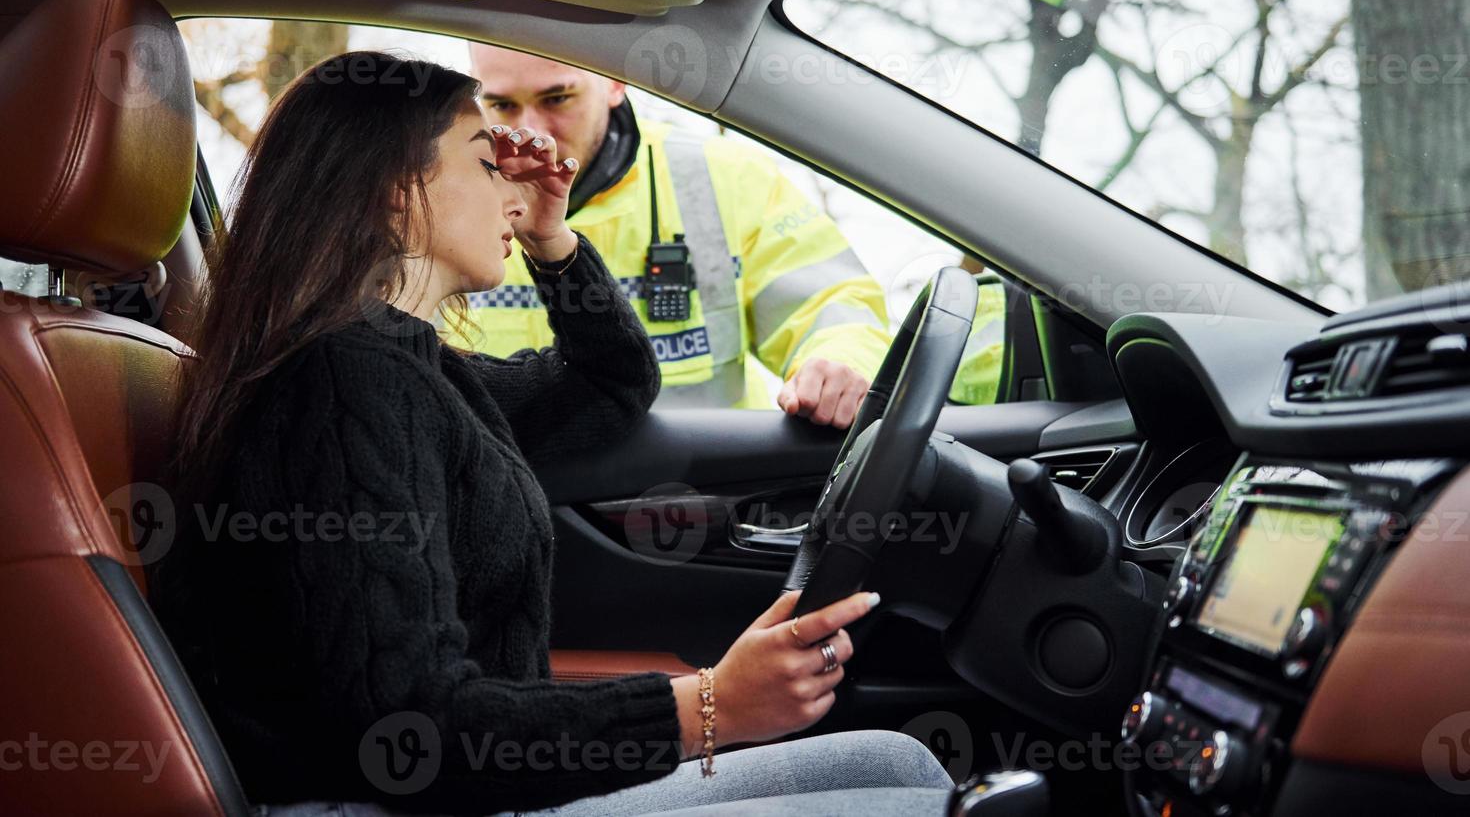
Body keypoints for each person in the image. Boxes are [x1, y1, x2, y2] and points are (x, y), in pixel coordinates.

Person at [149, 52, 954, 816]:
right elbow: (405, 725)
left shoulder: (412, 366)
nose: (514, 189)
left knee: (898, 764)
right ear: (398, 188)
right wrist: (707, 707)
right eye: (486, 161)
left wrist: (553, 243)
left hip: (482, 790)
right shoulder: (340, 383)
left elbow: (611, 384)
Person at [458, 44, 892, 429]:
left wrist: (840, 363)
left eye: (557, 97)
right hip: (526, 500)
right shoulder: (440, 201)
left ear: (613, 82)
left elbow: (831, 304)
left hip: (709, 494)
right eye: (502, 106)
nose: (534, 129)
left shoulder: (724, 177)